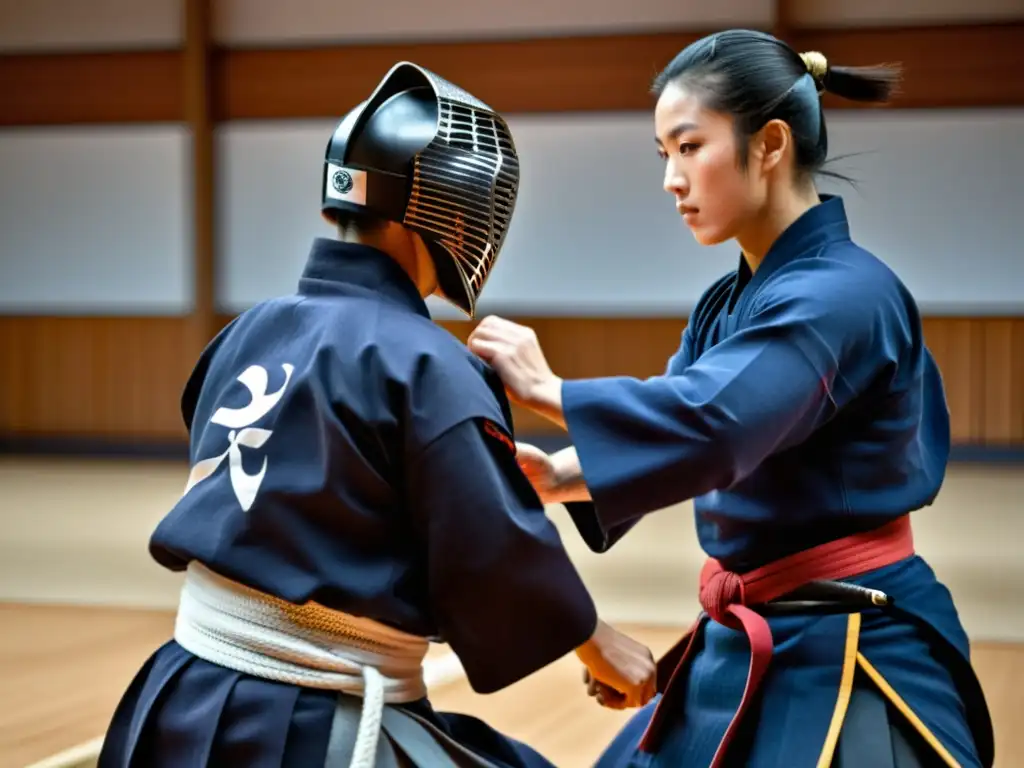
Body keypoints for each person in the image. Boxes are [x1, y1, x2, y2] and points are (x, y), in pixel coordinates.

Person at [97, 61, 657, 768]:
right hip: (302, 723)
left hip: (174, 696)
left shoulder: (247, 330)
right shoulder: (428, 364)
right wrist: (595, 638)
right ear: (455, 214)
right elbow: (488, 553)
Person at [467, 30, 994, 768]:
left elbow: (715, 425)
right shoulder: (731, 299)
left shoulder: (845, 294)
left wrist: (549, 390)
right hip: (751, 628)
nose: (671, 180)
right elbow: (685, 412)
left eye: (689, 147)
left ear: (770, 144)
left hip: (854, 638)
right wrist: (564, 477)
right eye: (663, 155)